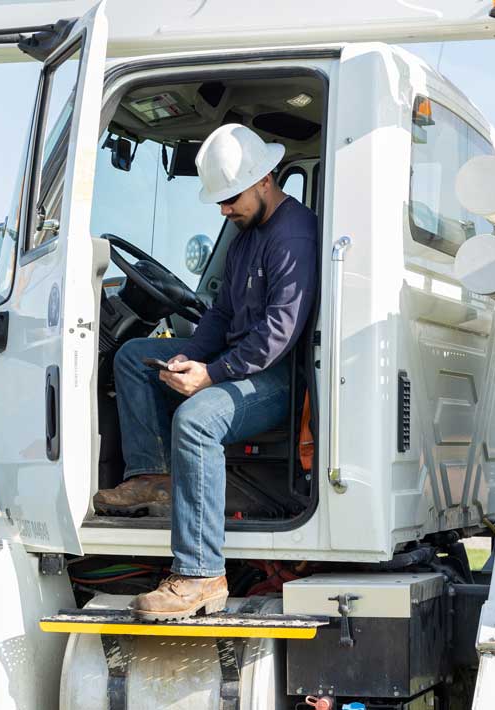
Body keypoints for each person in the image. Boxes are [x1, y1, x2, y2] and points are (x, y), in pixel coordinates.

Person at [93, 124, 318, 621]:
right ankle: (151, 477)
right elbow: (220, 315)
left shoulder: (294, 235)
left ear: (265, 180)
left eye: (230, 198)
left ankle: (200, 574)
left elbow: (278, 334)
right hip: (242, 365)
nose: (223, 210)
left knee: (196, 419)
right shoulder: (245, 237)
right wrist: (188, 356)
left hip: (280, 378)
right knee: (133, 357)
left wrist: (212, 375)